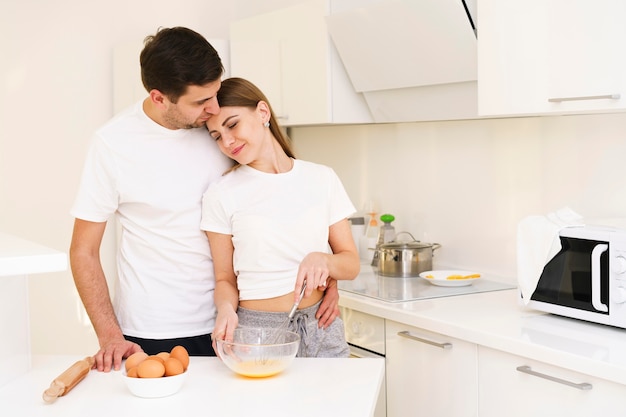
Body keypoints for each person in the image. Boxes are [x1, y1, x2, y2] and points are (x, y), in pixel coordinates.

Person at [70, 27, 341, 373]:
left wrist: (326, 280)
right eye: (201, 102)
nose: (213, 108)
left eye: (215, 93)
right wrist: (109, 336)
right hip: (153, 328)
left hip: (238, 324)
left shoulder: (220, 131)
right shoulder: (112, 144)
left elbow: (280, 203)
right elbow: (83, 250)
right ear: (159, 98)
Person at [201, 77, 360, 357]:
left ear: (263, 112)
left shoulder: (321, 178)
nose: (226, 141)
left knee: (337, 402)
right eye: (216, 136)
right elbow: (225, 278)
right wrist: (226, 309)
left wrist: (323, 260)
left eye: (232, 124)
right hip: (257, 334)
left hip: (320, 324)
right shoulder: (222, 192)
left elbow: (350, 263)